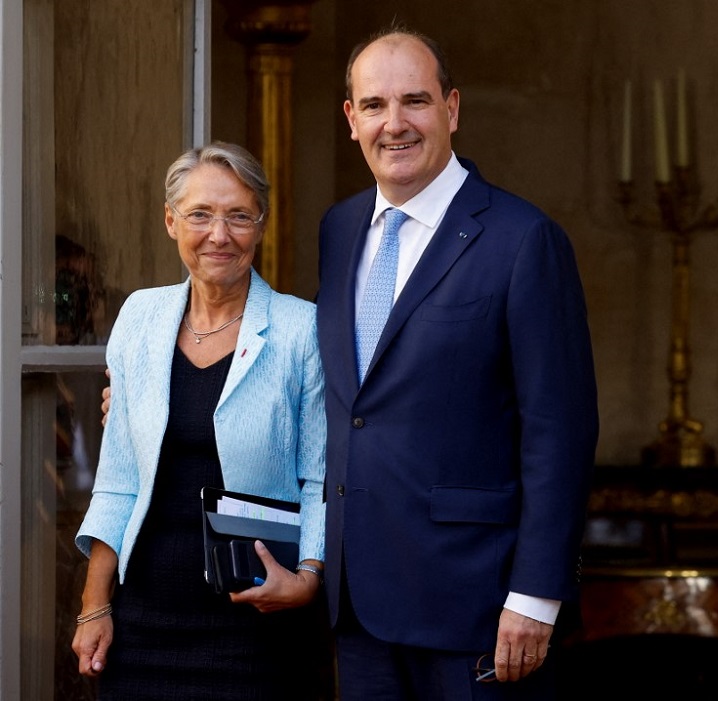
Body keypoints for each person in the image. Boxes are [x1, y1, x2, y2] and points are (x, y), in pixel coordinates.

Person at [315, 26, 599, 699]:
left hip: (478, 608)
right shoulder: (338, 229)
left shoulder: (524, 240)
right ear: (352, 119)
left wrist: (536, 595)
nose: (395, 123)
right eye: (376, 105)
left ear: (452, 109)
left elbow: (559, 433)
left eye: (415, 100)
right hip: (358, 608)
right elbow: (342, 398)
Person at [74, 141, 331, 700]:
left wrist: (308, 578)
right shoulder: (140, 317)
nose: (220, 234)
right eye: (200, 215)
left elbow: (320, 478)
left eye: (239, 216)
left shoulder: (300, 330)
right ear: (171, 222)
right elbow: (117, 476)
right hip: (142, 621)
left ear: (260, 225)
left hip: (258, 620)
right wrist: (94, 607)